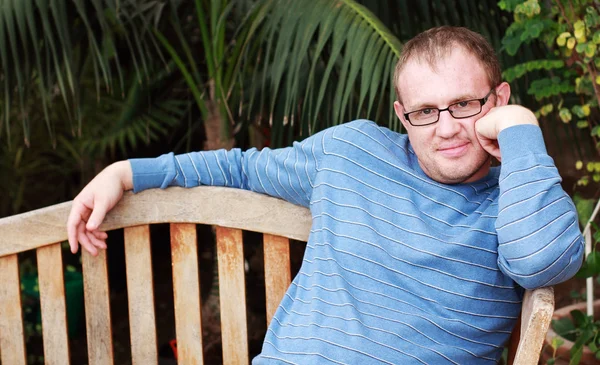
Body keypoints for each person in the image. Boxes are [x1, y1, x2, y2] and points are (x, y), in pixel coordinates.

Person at [67, 26, 584, 364]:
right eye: (425, 111)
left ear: (498, 98)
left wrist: (520, 132)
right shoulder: (350, 152)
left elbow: (543, 262)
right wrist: (126, 173)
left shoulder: (515, 199)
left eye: (465, 104)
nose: (446, 128)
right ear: (403, 116)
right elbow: (239, 168)